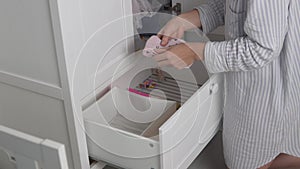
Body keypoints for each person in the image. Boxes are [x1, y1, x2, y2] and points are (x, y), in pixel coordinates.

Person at [153, 0, 300, 168]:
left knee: (251, 160)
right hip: (273, 86)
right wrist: (186, 19)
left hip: (266, 93)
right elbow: (236, 7)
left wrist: (196, 52)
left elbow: (262, 49)